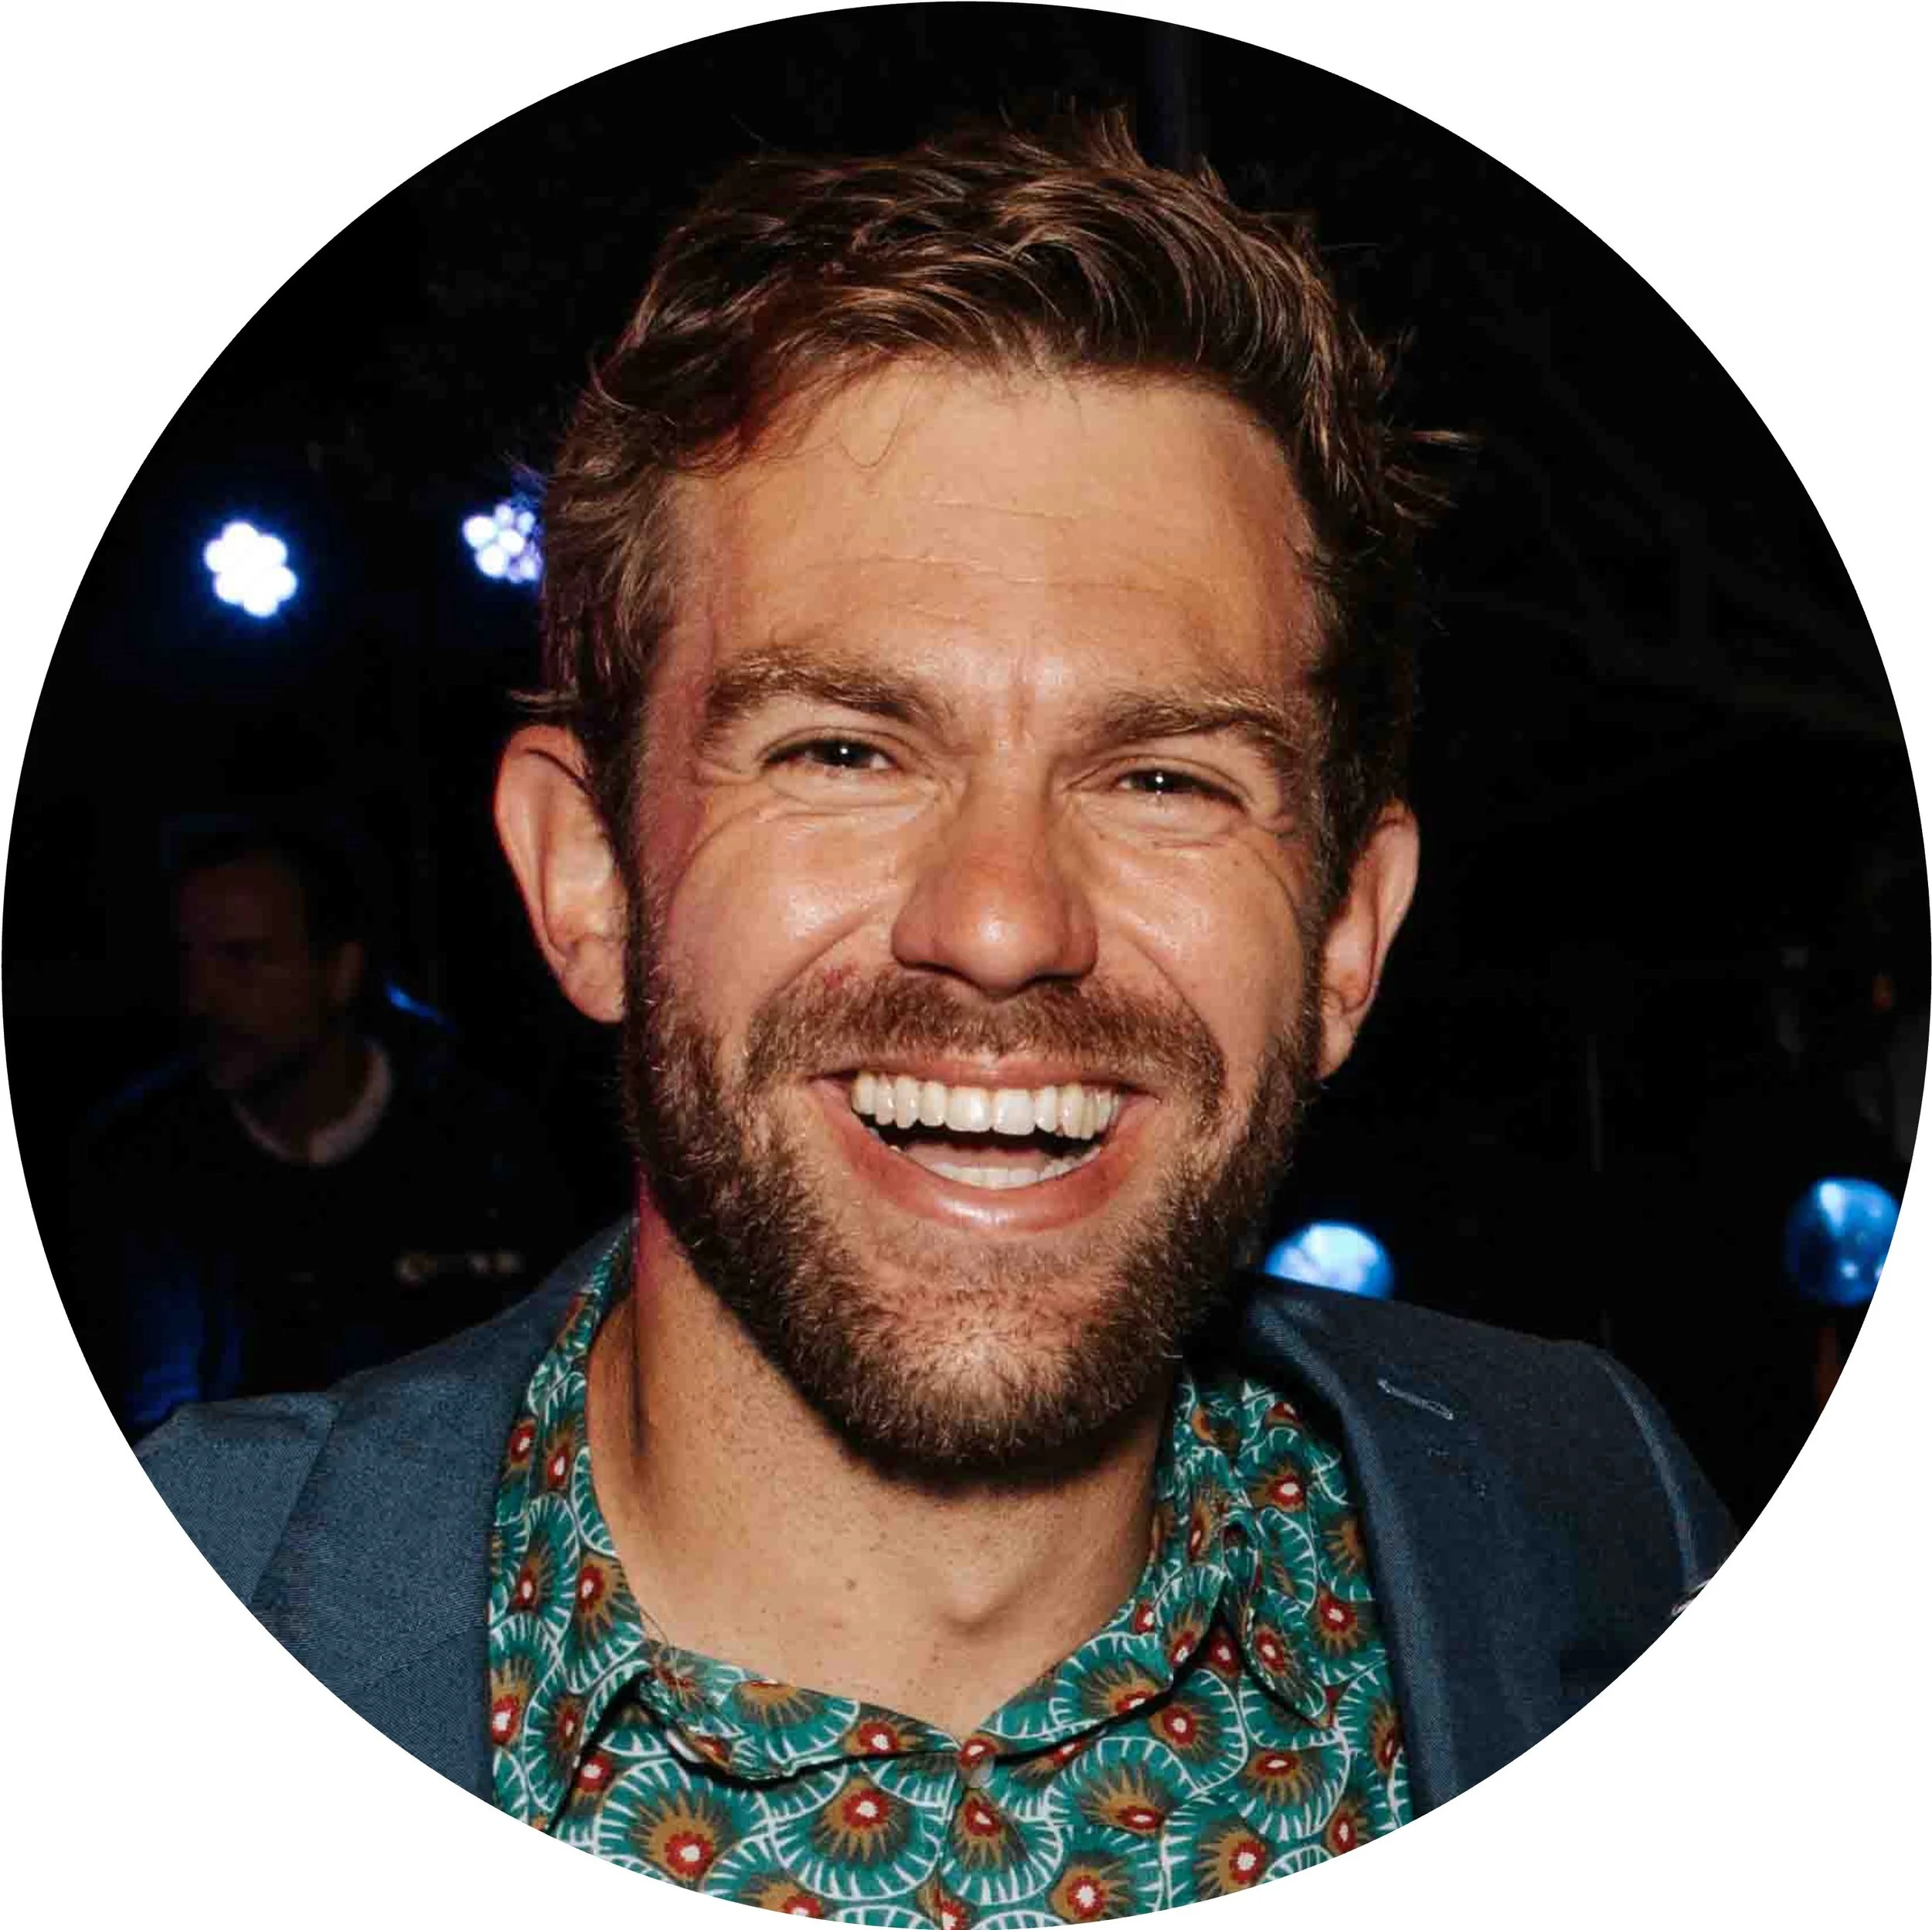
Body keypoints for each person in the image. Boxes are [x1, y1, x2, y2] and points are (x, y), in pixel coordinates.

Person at [141, 117, 1732, 1914]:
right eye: (843, 748)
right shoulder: (134, 1648)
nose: (1000, 920)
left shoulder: (1594, 1518)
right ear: (585, 873)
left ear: (1347, 933)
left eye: (1163, 777)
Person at [72, 812, 576, 1435]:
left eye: (244, 959)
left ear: (339, 971)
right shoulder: (140, 1168)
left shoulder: (487, 1145)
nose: (203, 998)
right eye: (188, 961)